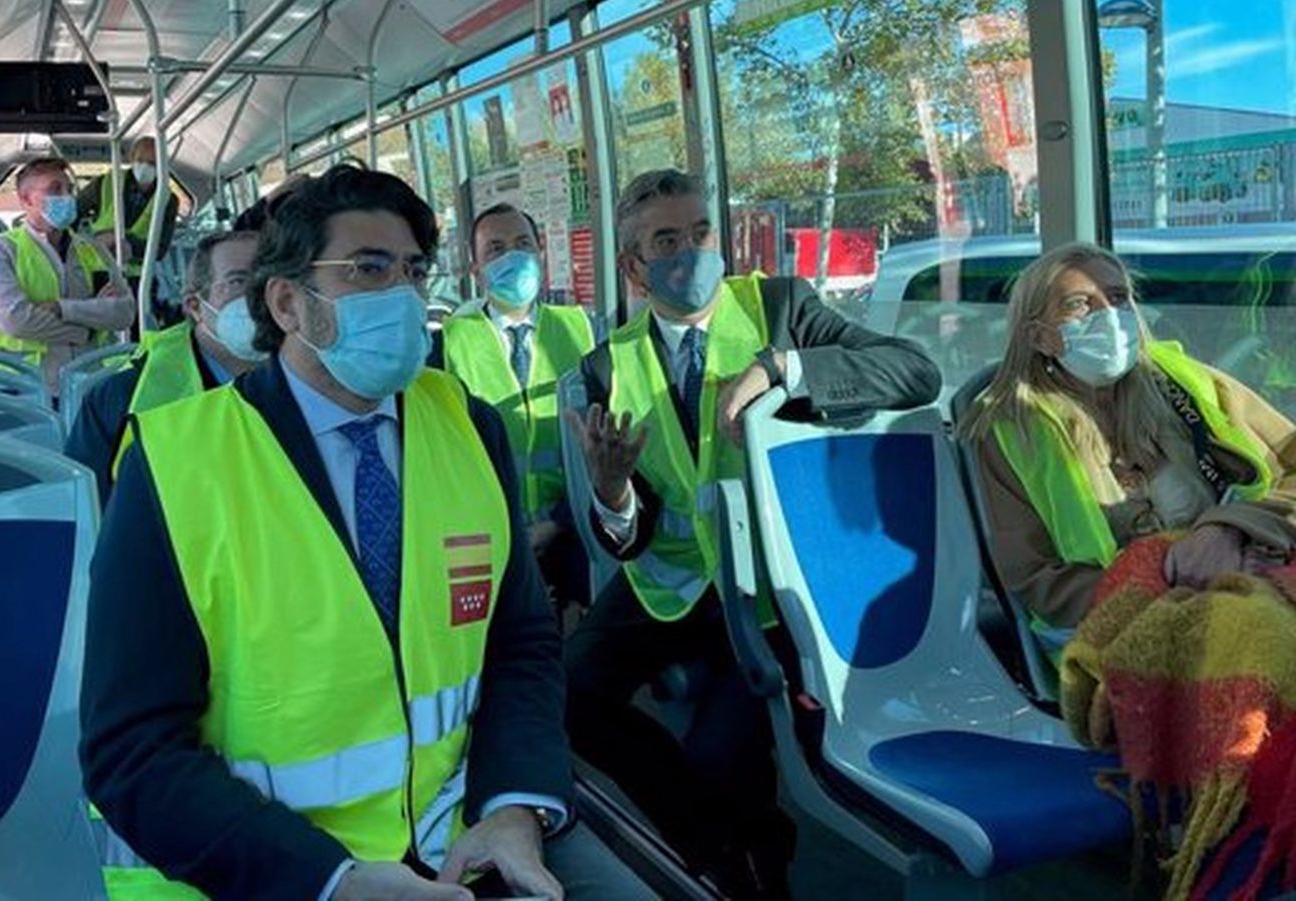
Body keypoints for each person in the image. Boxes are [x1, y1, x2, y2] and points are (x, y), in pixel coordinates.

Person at [80, 164, 653, 900]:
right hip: (276, 867)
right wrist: (330, 880)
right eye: (368, 268)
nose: (404, 297)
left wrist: (514, 804)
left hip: (465, 830)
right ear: (288, 302)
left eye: (413, 271)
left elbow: (519, 642)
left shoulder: (468, 426)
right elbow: (132, 749)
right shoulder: (173, 463)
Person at [565, 168, 942, 898]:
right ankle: (712, 847)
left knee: (720, 755)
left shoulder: (780, 308)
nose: (690, 251)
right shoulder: (609, 364)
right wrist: (611, 492)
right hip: (673, 583)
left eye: (700, 232)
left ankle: (754, 864)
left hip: (770, 582)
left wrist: (780, 368)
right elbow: (629, 532)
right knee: (570, 696)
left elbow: (915, 372)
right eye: (666, 241)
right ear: (634, 268)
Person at [959, 243, 1296, 654]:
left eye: (1118, 298)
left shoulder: (1187, 385)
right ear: (1039, 337)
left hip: (1250, 579)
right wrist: (1171, 574)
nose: (1109, 316)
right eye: (1080, 304)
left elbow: (1289, 465)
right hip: (1120, 630)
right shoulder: (1008, 433)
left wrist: (1231, 529)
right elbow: (1035, 580)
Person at [429, 203, 596, 613]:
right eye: (496, 249)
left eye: (523, 244)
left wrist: (558, 521)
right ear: (476, 270)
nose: (513, 257)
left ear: (541, 253)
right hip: (490, 537)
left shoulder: (581, 328)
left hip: (573, 526)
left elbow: (599, 432)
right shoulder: (447, 344)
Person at [66, 229, 267, 506]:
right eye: (238, 282)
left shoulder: (312, 386)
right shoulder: (121, 399)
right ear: (195, 306)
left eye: (270, 279)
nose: (260, 295)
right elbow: (83, 508)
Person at [0, 156, 135, 395]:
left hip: (88, 383)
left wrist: (61, 308)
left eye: (70, 189)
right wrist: (86, 330)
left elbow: (125, 312)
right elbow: (16, 320)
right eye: (55, 190)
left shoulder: (93, 249)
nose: (67, 197)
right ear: (26, 200)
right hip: (22, 386)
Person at [79, 137, 181, 319]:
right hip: (96, 270)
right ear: (132, 158)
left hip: (137, 277)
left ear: (162, 165)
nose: (145, 167)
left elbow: (160, 249)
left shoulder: (167, 200)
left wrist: (130, 246)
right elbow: (72, 216)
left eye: (152, 163)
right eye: (141, 160)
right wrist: (94, 241)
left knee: (137, 322)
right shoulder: (105, 183)